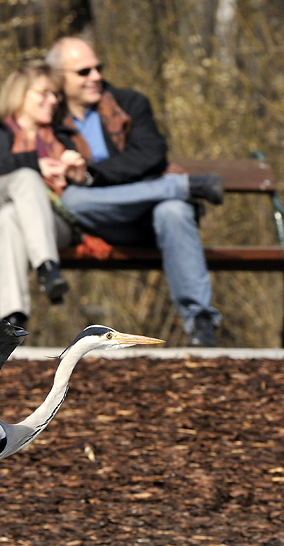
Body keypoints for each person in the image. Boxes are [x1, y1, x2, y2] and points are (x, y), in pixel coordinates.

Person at [47, 36, 223, 347]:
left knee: (174, 210)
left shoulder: (130, 103)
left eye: (97, 68)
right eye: (83, 72)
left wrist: (91, 174)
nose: (96, 77)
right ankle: (181, 187)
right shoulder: (47, 119)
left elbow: (150, 155)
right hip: (95, 221)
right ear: (59, 77)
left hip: (147, 220)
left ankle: (202, 324)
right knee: (72, 200)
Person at [0, 60, 88, 329]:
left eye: (55, 95)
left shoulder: (63, 137)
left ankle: (12, 318)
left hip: (53, 222)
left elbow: (87, 191)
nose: (52, 101)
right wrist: (33, 163)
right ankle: (48, 269)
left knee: (9, 217)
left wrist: (78, 175)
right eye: (44, 93)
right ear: (20, 94)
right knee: (26, 178)